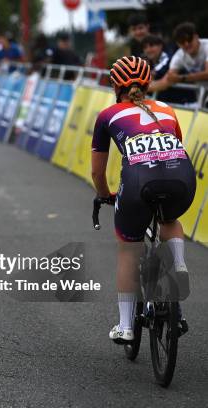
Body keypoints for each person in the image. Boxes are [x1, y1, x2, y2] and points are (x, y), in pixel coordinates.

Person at [91, 56, 196, 342]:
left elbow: (97, 172)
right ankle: (178, 263)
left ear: (115, 85)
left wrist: (104, 195)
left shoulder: (108, 114)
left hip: (139, 182)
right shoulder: (167, 109)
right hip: (182, 178)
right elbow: (174, 151)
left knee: (129, 248)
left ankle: (125, 327)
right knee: (169, 218)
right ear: (148, 82)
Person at [149, 22, 208, 95]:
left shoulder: (206, 46)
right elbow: (168, 80)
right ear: (178, 44)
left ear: (196, 37)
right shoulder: (179, 55)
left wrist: (182, 78)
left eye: (189, 39)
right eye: (182, 41)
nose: (186, 44)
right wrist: (140, 88)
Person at [142, 35, 196, 104]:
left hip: (186, 105)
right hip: (169, 104)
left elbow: (160, 83)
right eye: (145, 47)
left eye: (152, 45)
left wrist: (137, 88)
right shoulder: (150, 63)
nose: (148, 50)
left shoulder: (169, 60)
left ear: (160, 46)